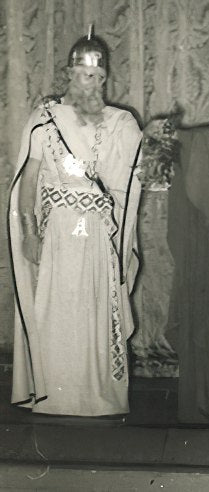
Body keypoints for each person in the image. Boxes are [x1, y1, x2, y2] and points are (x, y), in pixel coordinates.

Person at [9, 31, 142, 416]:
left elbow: (136, 168)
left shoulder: (119, 122)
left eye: (101, 78)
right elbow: (28, 180)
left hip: (98, 231)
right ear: (69, 73)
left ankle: (95, 398)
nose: (95, 84)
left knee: (94, 310)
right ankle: (56, 396)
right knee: (58, 308)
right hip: (57, 232)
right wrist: (30, 233)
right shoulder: (44, 118)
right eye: (87, 75)